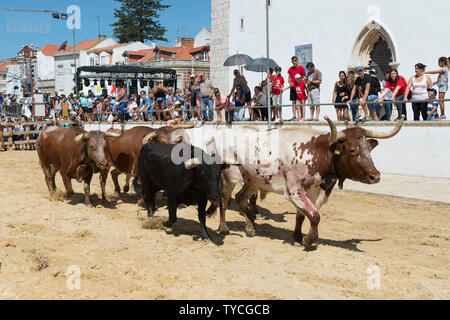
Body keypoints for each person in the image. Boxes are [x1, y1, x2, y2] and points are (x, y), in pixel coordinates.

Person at [287, 56, 306, 121]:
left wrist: (302, 83)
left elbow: (303, 77)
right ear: (291, 62)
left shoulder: (301, 68)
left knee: (300, 103)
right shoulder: (290, 69)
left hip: (299, 88)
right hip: (292, 88)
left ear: (297, 61)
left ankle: (302, 116)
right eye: (293, 61)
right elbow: (289, 78)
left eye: (295, 61)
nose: (294, 62)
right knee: (293, 102)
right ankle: (294, 116)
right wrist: (290, 82)